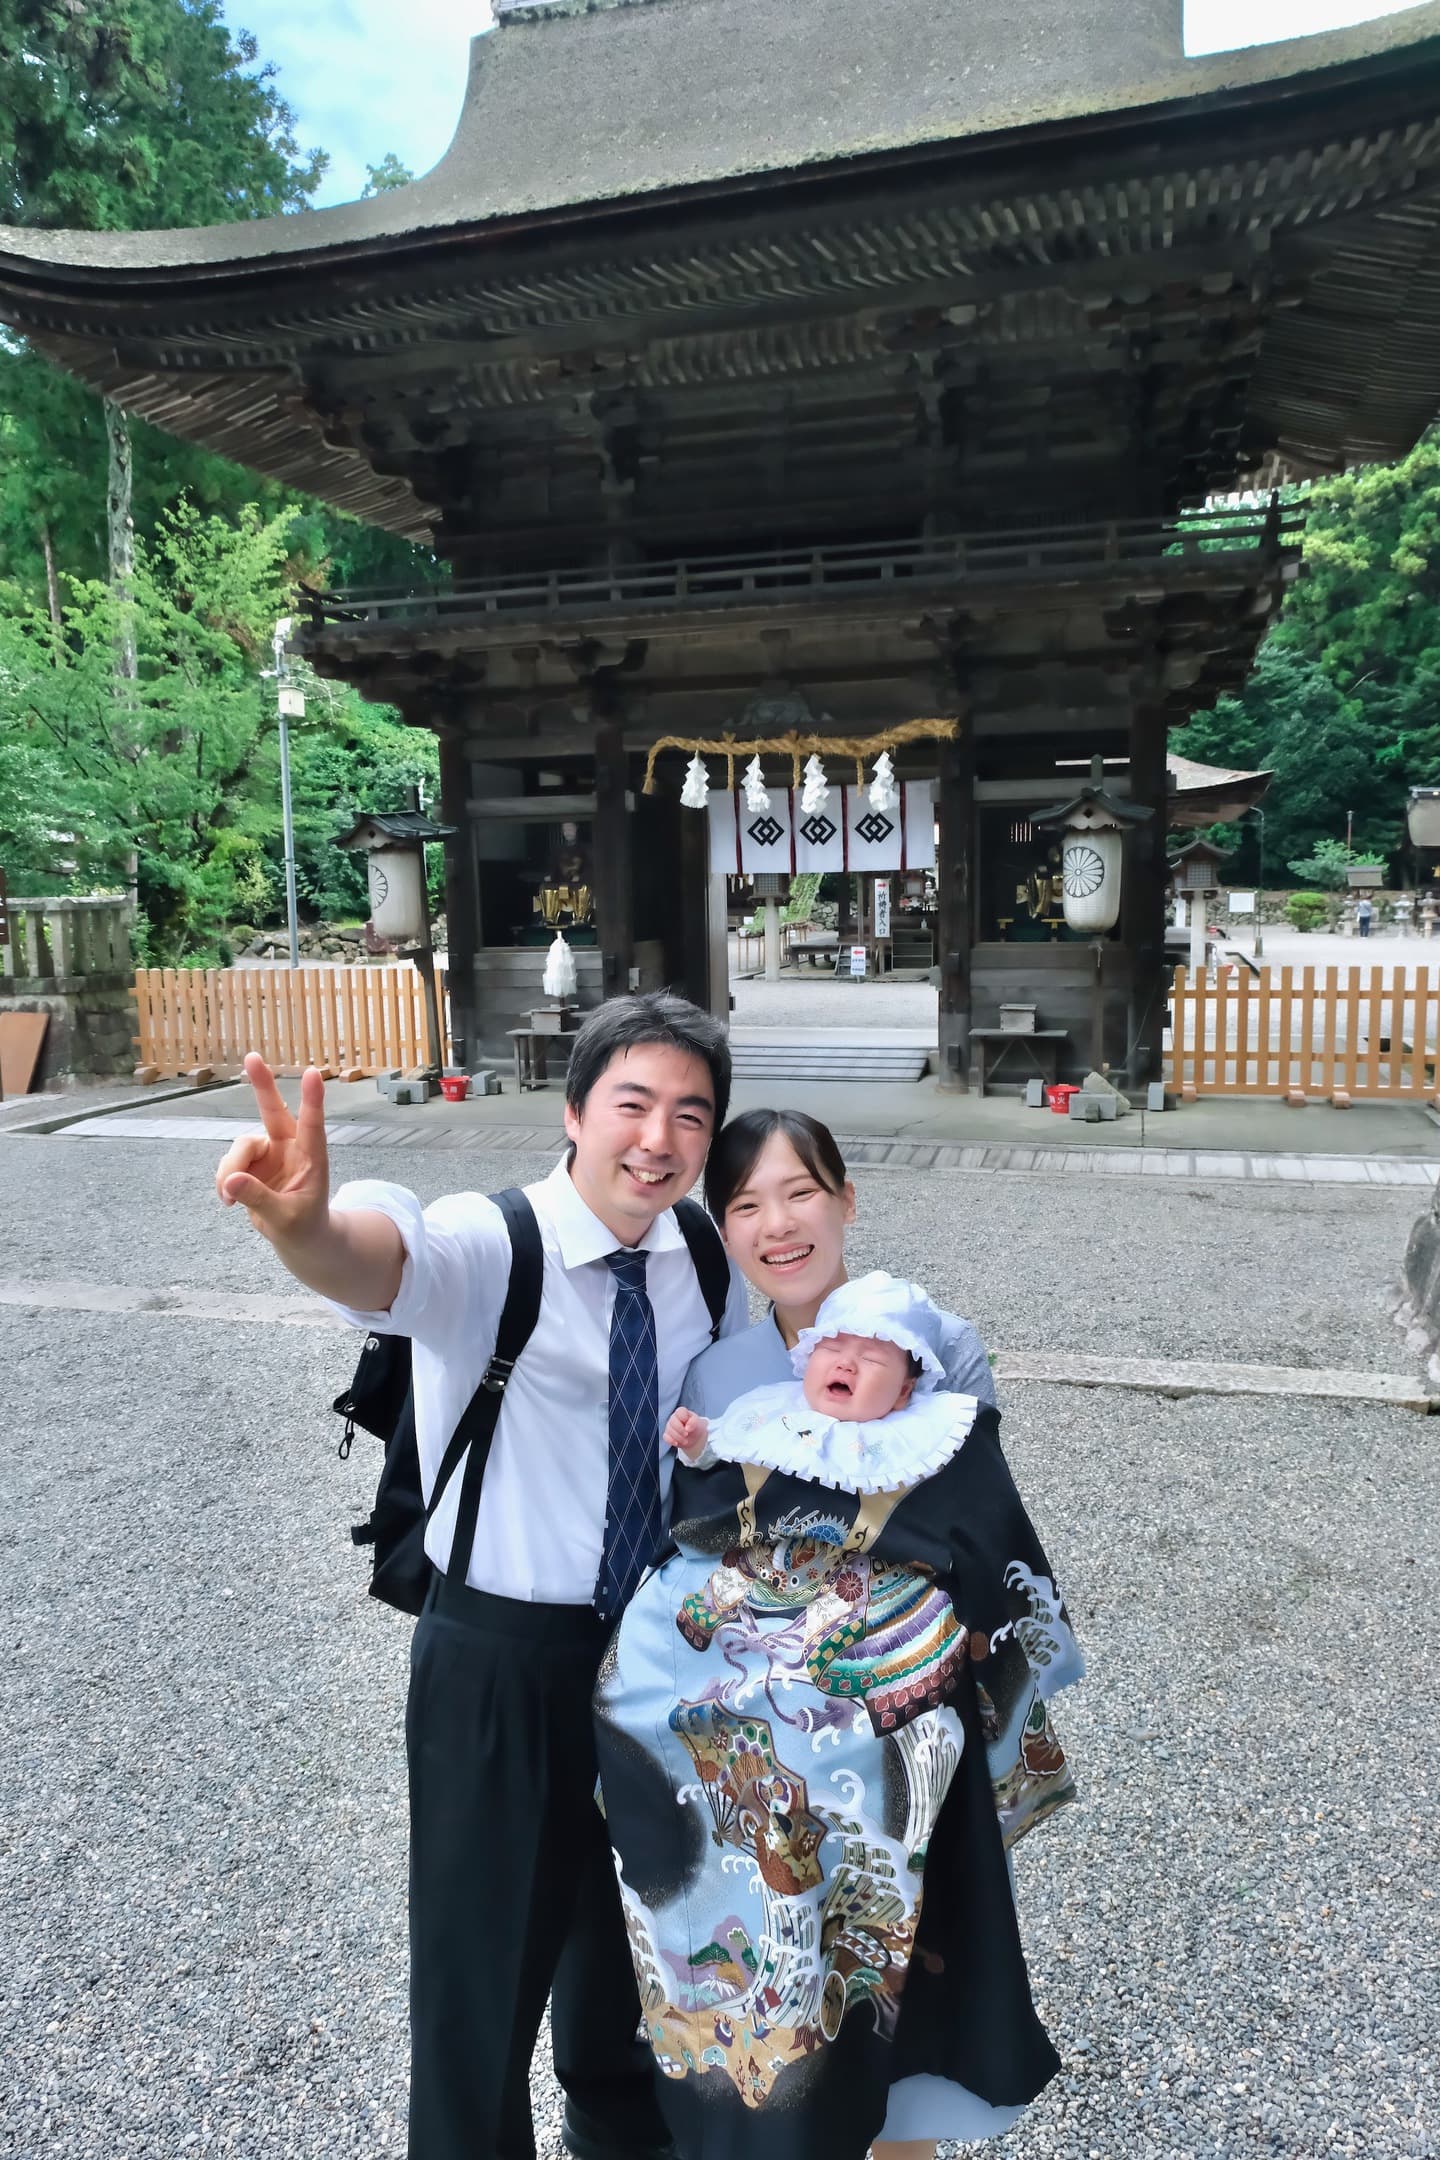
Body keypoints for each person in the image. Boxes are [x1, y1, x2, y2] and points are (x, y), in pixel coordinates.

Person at [214, 993, 751, 2160]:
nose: (659, 1139)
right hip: (501, 1661)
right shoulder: (490, 1243)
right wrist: (303, 1224)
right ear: (573, 1110)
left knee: (640, 1964)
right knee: (481, 1984)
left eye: (691, 1117)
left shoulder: (700, 1255)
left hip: (658, 1657)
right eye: (633, 1104)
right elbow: (376, 1248)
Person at [593, 1111, 1081, 2160]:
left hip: (889, 1697)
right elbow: (692, 1537)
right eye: (745, 1205)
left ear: (847, 1199)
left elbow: (974, 1509)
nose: (779, 1223)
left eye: (801, 1192)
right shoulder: (718, 1376)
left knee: (909, 1956)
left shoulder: (934, 1342)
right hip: (761, 1714)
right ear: (722, 1230)